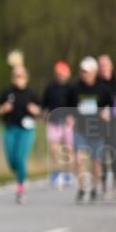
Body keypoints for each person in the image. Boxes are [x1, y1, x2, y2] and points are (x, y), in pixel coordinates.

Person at [64, 56, 114, 203]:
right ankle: (81, 188)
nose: (84, 74)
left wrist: (107, 113)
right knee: (79, 160)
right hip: (80, 129)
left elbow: (110, 107)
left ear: (94, 72)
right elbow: (68, 106)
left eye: (87, 71)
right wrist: (69, 117)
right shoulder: (75, 88)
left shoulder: (102, 89)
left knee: (96, 163)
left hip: (97, 131)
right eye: (82, 71)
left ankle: (93, 189)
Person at [0, 54, 41, 204]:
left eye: (21, 76)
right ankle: (21, 174)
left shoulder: (31, 93)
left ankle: (21, 187)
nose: (18, 78)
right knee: (12, 161)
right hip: (10, 128)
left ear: (26, 77)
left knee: (21, 158)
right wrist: (4, 108)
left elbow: (40, 110)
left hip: (27, 130)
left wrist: (35, 110)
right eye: (16, 76)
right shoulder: (7, 93)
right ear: (12, 77)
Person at [42, 60, 75, 189]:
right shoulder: (50, 88)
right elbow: (44, 104)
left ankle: (68, 173)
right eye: (59, 73)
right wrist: (45, 113)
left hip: (67, 123)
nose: (61, 75)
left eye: (64, 73)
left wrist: (73, 116)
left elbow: (75, 105)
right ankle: (56, 172)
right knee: (54, 150)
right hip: (53, 122)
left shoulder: (71, 88)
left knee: (68, 149)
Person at [97, 54, 114, 195]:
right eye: (101, 65)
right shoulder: (95, 84)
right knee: (101, 153)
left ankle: (114, 181)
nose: (104, 68)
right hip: (98, 124)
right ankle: (102, 183)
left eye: (106, 65)